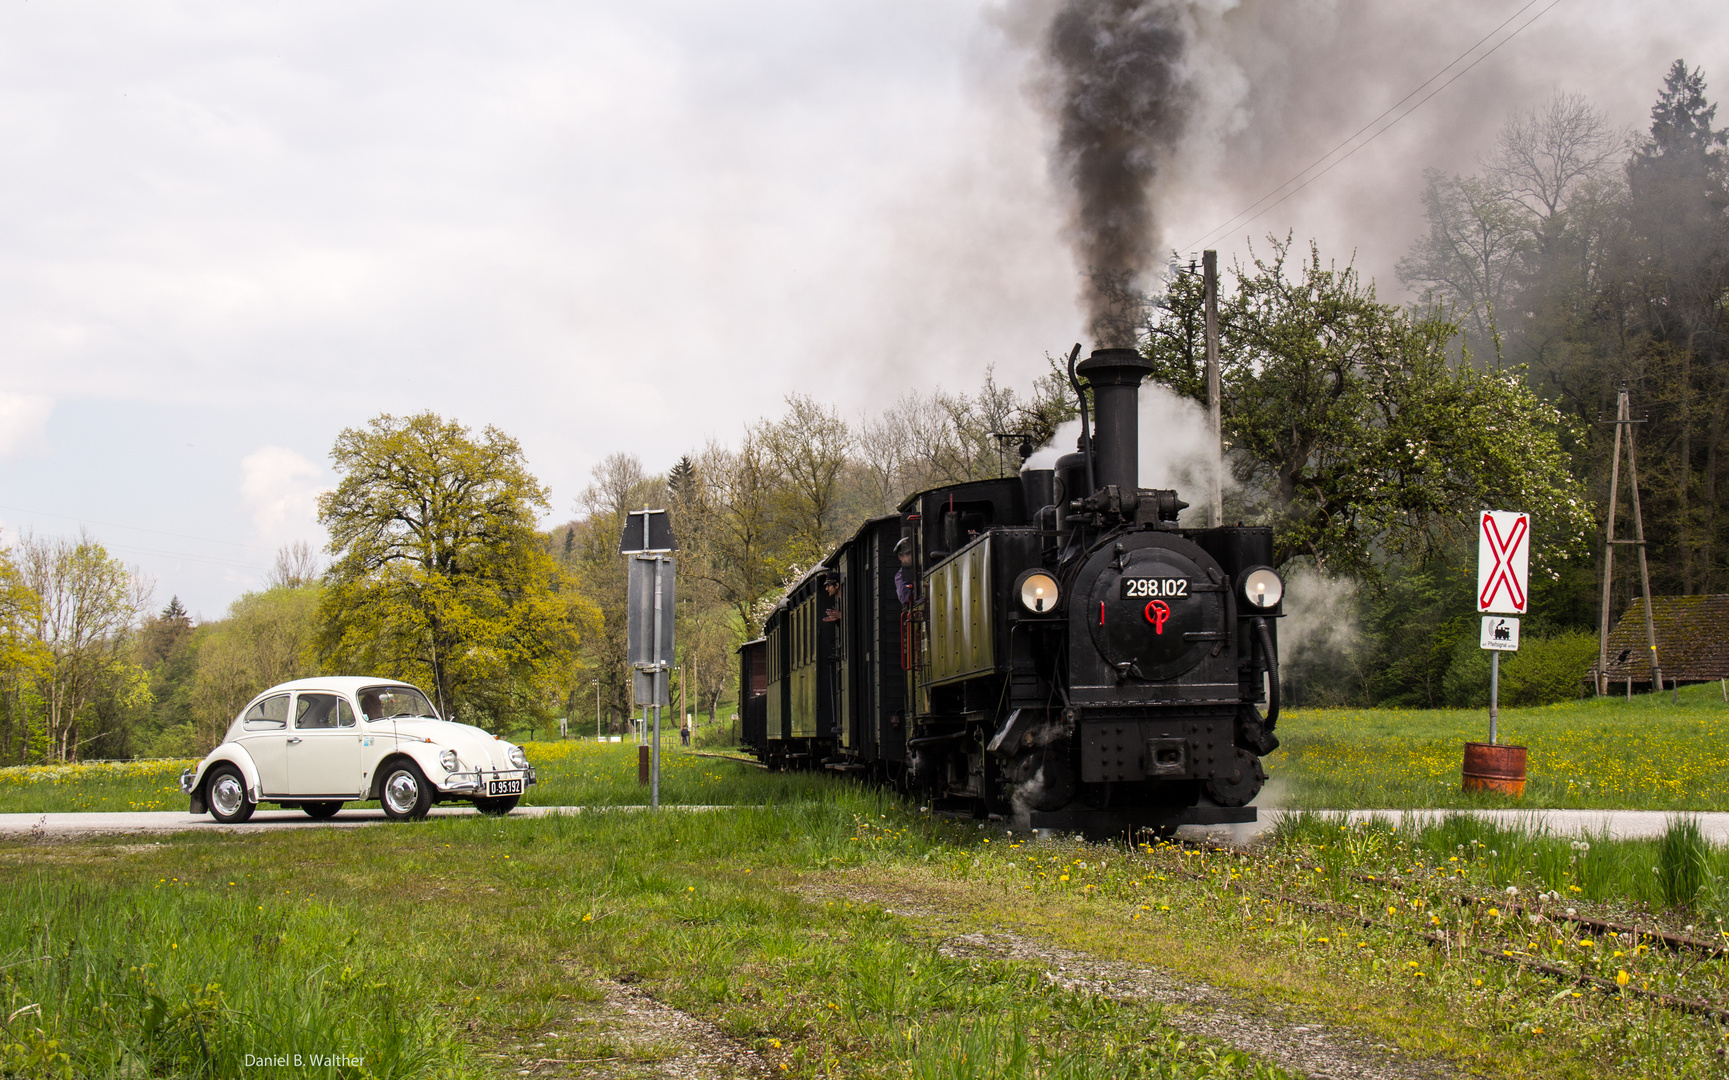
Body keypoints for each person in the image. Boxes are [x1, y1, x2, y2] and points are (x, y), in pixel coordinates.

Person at [893, 536, 920, 604]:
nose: (912, 555)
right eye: (908, 553)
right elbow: (905, 597)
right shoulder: (902, 575)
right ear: (901, 557)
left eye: (913, 552)